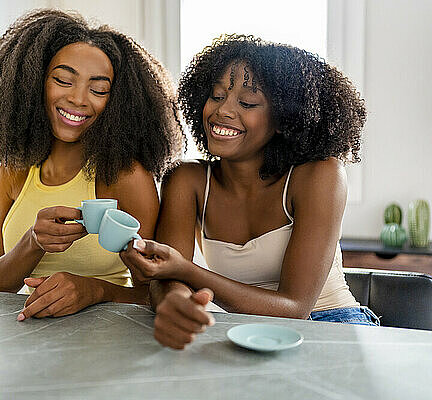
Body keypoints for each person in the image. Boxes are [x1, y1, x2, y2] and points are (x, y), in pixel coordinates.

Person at [120, 34, 378, 350]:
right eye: (216, 95)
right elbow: (167, 276)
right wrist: (175, 300)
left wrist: (188, 272)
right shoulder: (187, 179)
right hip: (242, 332)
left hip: (330, 325)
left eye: (247, 103)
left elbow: (295, 308)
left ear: (284, 119)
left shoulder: (318, 174)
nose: (222, 112)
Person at [0, 9, 184, 320]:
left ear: (117, 103)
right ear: (33, 83)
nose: (78, 99)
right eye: (63, 80)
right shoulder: (15, 169)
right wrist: (33, 242)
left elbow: (154, 293)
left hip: (109, 346)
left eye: (98, 89)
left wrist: (95, 290)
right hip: (26, 341)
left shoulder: (127, 177)